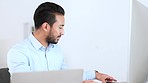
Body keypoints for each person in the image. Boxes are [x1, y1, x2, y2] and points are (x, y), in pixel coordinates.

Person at [7, 2, 117, 83]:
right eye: (60, 27)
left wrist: (96, 75)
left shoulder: (56, 50)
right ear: (46, 26)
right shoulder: (18, 52)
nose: (63, 32)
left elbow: (67, 77)